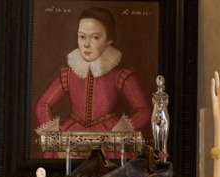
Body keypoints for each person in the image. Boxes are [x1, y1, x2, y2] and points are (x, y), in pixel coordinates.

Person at [34, 6, 152, 146]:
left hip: (109, 137)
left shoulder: (121, 75)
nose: (86, 44)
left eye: (95, 37)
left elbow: (145, 111)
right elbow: (43, 105)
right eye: (82, 36)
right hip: (72, 136)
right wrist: (55, 135)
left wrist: (121, 130)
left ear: (108, 40)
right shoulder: (68, 74)